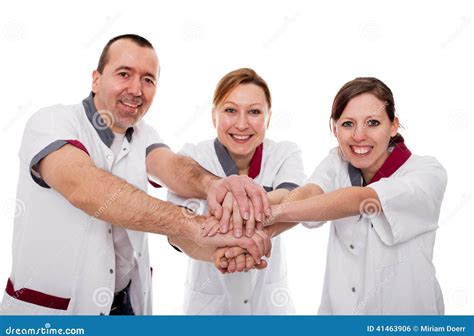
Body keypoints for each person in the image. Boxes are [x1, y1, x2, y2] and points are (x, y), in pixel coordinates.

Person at [0, 34, 272, 316]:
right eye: (124, 74)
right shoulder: (52, 122)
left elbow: (173, 167)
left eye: (148, 80)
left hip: (127, 307)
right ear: (96, 79)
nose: (136, 89)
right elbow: (84, 188)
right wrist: (198, 226)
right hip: (53, 314)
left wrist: (215, 185)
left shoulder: (143, 134)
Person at [215, 77, 448, 315]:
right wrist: (253, 237)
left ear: (393, 125)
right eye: (348, 124)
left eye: (373, 122)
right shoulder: (337, 161)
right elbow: (308, 194)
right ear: (333, 128)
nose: (359, 135)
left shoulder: (427, 173)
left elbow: (360, 200)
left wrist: (264, 215)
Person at [167, 68, 306, 314]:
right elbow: (178, 233)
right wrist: (220, 254)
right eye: (230, 110)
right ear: (214, 116)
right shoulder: (191, 158)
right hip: (208, 307)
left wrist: (233, 201)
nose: (242, 124)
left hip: (270, 307)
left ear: (268, 118)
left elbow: (294, 199)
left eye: (254, 112)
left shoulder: (285, 153)